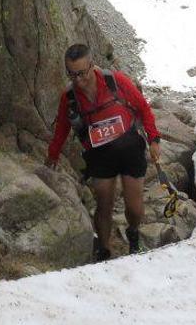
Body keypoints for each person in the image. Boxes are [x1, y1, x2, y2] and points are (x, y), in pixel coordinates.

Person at [46, 44, 161, 261]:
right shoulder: (69, 97)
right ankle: (105, 250)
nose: (78, 79)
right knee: (104, 204)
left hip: (130, 148)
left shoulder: (116, 81)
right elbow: (62, 127)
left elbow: (143, 108)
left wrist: (154, 139)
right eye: (71, 74)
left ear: (92, 65)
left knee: (135, 208)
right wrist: (52, 154)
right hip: (100, 155)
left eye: (81, 73)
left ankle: (133, 231)